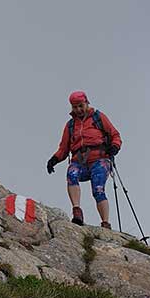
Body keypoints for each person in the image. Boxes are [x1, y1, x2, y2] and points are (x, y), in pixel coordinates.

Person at [46, 91, 122, 228]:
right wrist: (54, 159)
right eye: (75, 107)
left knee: (98, 189)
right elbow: (63, 148)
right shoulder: (70, 125)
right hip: (80, 161)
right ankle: (77, 211)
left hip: (100, 159)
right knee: (72, 174)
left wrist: (115, 147)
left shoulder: (98, 117)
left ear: (87, 103)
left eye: (81, 106)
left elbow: (115, 135)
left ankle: (105, 223)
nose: (78, 110)